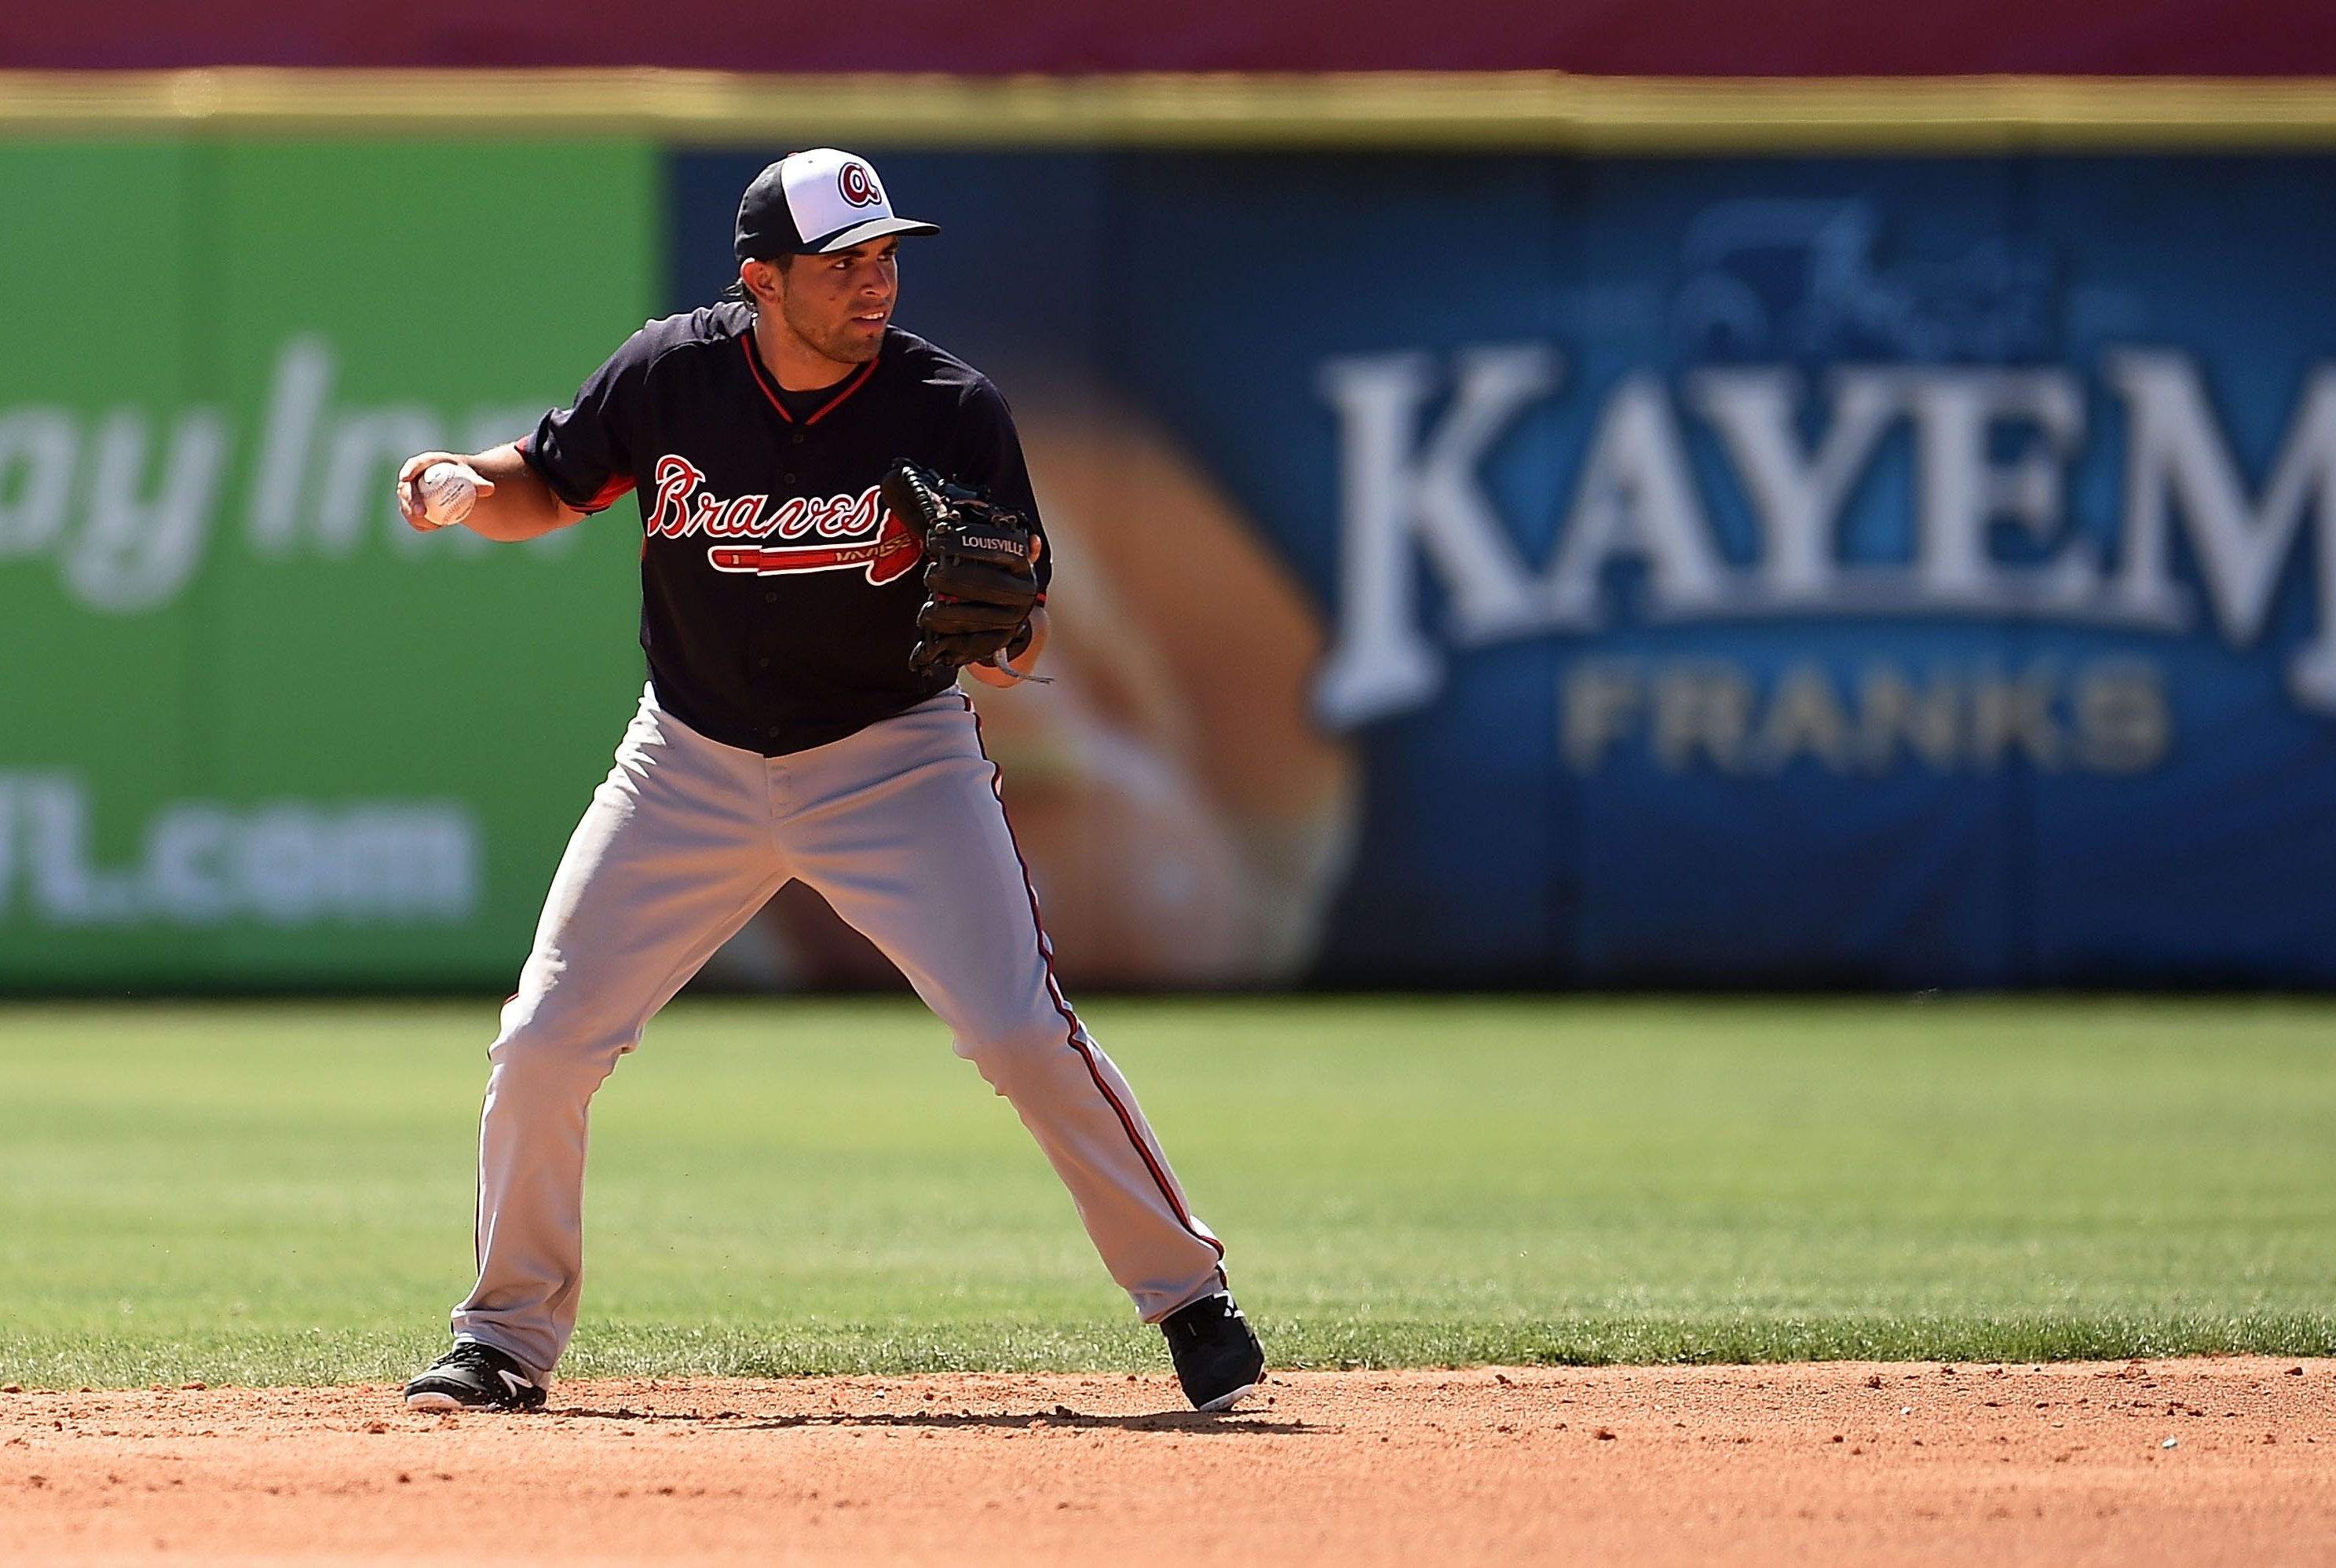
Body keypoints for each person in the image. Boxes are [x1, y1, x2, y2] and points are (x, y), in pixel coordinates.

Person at [389, 148, 1263, 1414]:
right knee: (543, 1040)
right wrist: (473, 488)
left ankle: (1189, 1294)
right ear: (761, 279)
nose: (875, 285)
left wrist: (1003, 627)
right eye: (842, 264)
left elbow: (1017, 633)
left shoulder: (951, 406)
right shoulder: (672, 373)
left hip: (891, 759)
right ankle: (505, 1339)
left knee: (1020, 1027)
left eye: (886, 257)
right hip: (686, 760)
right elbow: (556, 479)